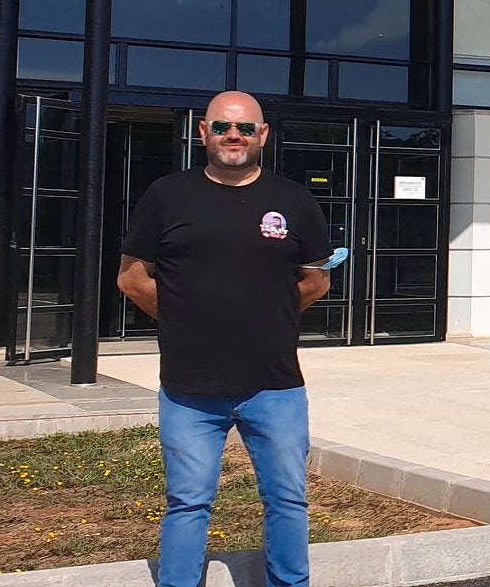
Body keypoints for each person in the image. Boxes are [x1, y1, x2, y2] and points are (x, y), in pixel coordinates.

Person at [116, 91, 335, 587]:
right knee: (188, 501)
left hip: (275, 385)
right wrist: (186, 321)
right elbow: (132, 279)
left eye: (244, 127)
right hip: (190, 388)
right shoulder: (167, 195)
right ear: (203, 133)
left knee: (287, 498)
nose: (232, 136)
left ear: (263, 135)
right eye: (220, 126)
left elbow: (315, 280)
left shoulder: (294, 200)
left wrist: (266, 317)